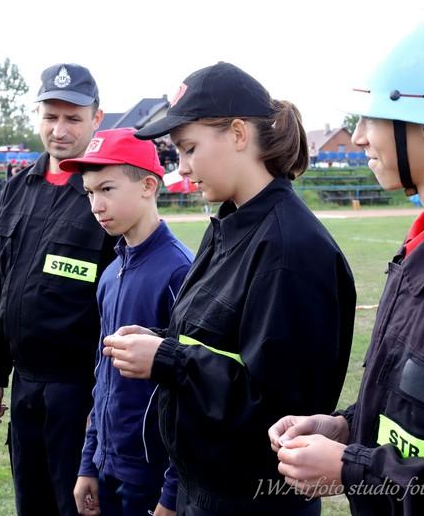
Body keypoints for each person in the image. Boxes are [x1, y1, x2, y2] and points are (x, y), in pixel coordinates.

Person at [101, 62, 356, 515]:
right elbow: (220, 344)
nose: (182, 168)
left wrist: (167, 359)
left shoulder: (290, 249)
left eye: (189, 148)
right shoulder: (228, 227)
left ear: (238, 134)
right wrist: (160, 341)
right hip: (202, 489)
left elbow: (281, 408)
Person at [270, 5, 424, 514]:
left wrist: (354, 468)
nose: (360, 136)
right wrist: (347, 427)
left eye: (372, 116)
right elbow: (423, 414)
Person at [0, 63, 117, 516]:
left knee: (77, 506)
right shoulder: (17, 189)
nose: (59, 130)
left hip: (80, 391)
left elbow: (121, 306)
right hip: (25, 387)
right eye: (50, 116)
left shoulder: (106, 195)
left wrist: (102, 400)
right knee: (31, 503)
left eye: (73, 118)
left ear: (97, 118)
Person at [58, 128, 192, 516]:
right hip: (108, 466)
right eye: (89, 193)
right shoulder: (110, 274)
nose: (95, 205)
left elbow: (191, 391)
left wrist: (172, 491)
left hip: (153, 477)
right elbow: (103, 377)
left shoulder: (181, 272)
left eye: (107, 189)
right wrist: (89, 462)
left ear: (149, 185)